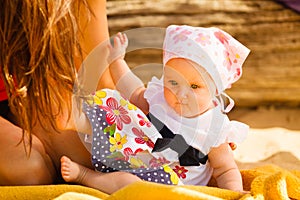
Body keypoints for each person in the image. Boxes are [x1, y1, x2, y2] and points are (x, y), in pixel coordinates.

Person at [61, 25, 250, 192]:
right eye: (173, 82)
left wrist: (234, 192)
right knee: (112, 113)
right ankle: (72, 118)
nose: (181, 94)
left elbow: (226, 169)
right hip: (136, 160)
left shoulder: (214, 128)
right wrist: (117, 60)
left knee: (128, 184)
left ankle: (86, 176)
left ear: (216, 89)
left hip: (172, 186)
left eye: (194, 87)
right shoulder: (160, 99)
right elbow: (132, 90)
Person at [0, 0, 140, 194]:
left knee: (96, 155)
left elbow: (100, 77)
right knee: (27, 169)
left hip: (37, 92)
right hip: (17, 99)